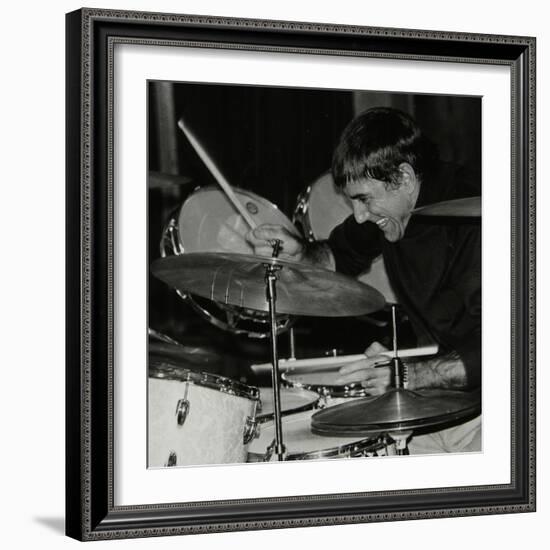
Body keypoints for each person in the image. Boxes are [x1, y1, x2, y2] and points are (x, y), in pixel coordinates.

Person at [247, 107, 481, 452]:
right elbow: (339, 255)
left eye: (363, 199)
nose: (359, 215)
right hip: (440, 400)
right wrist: (301, 254)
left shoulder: (476, 218)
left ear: (402, 177)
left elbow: (513, 347)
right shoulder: (391, 208)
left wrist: (407, 376)